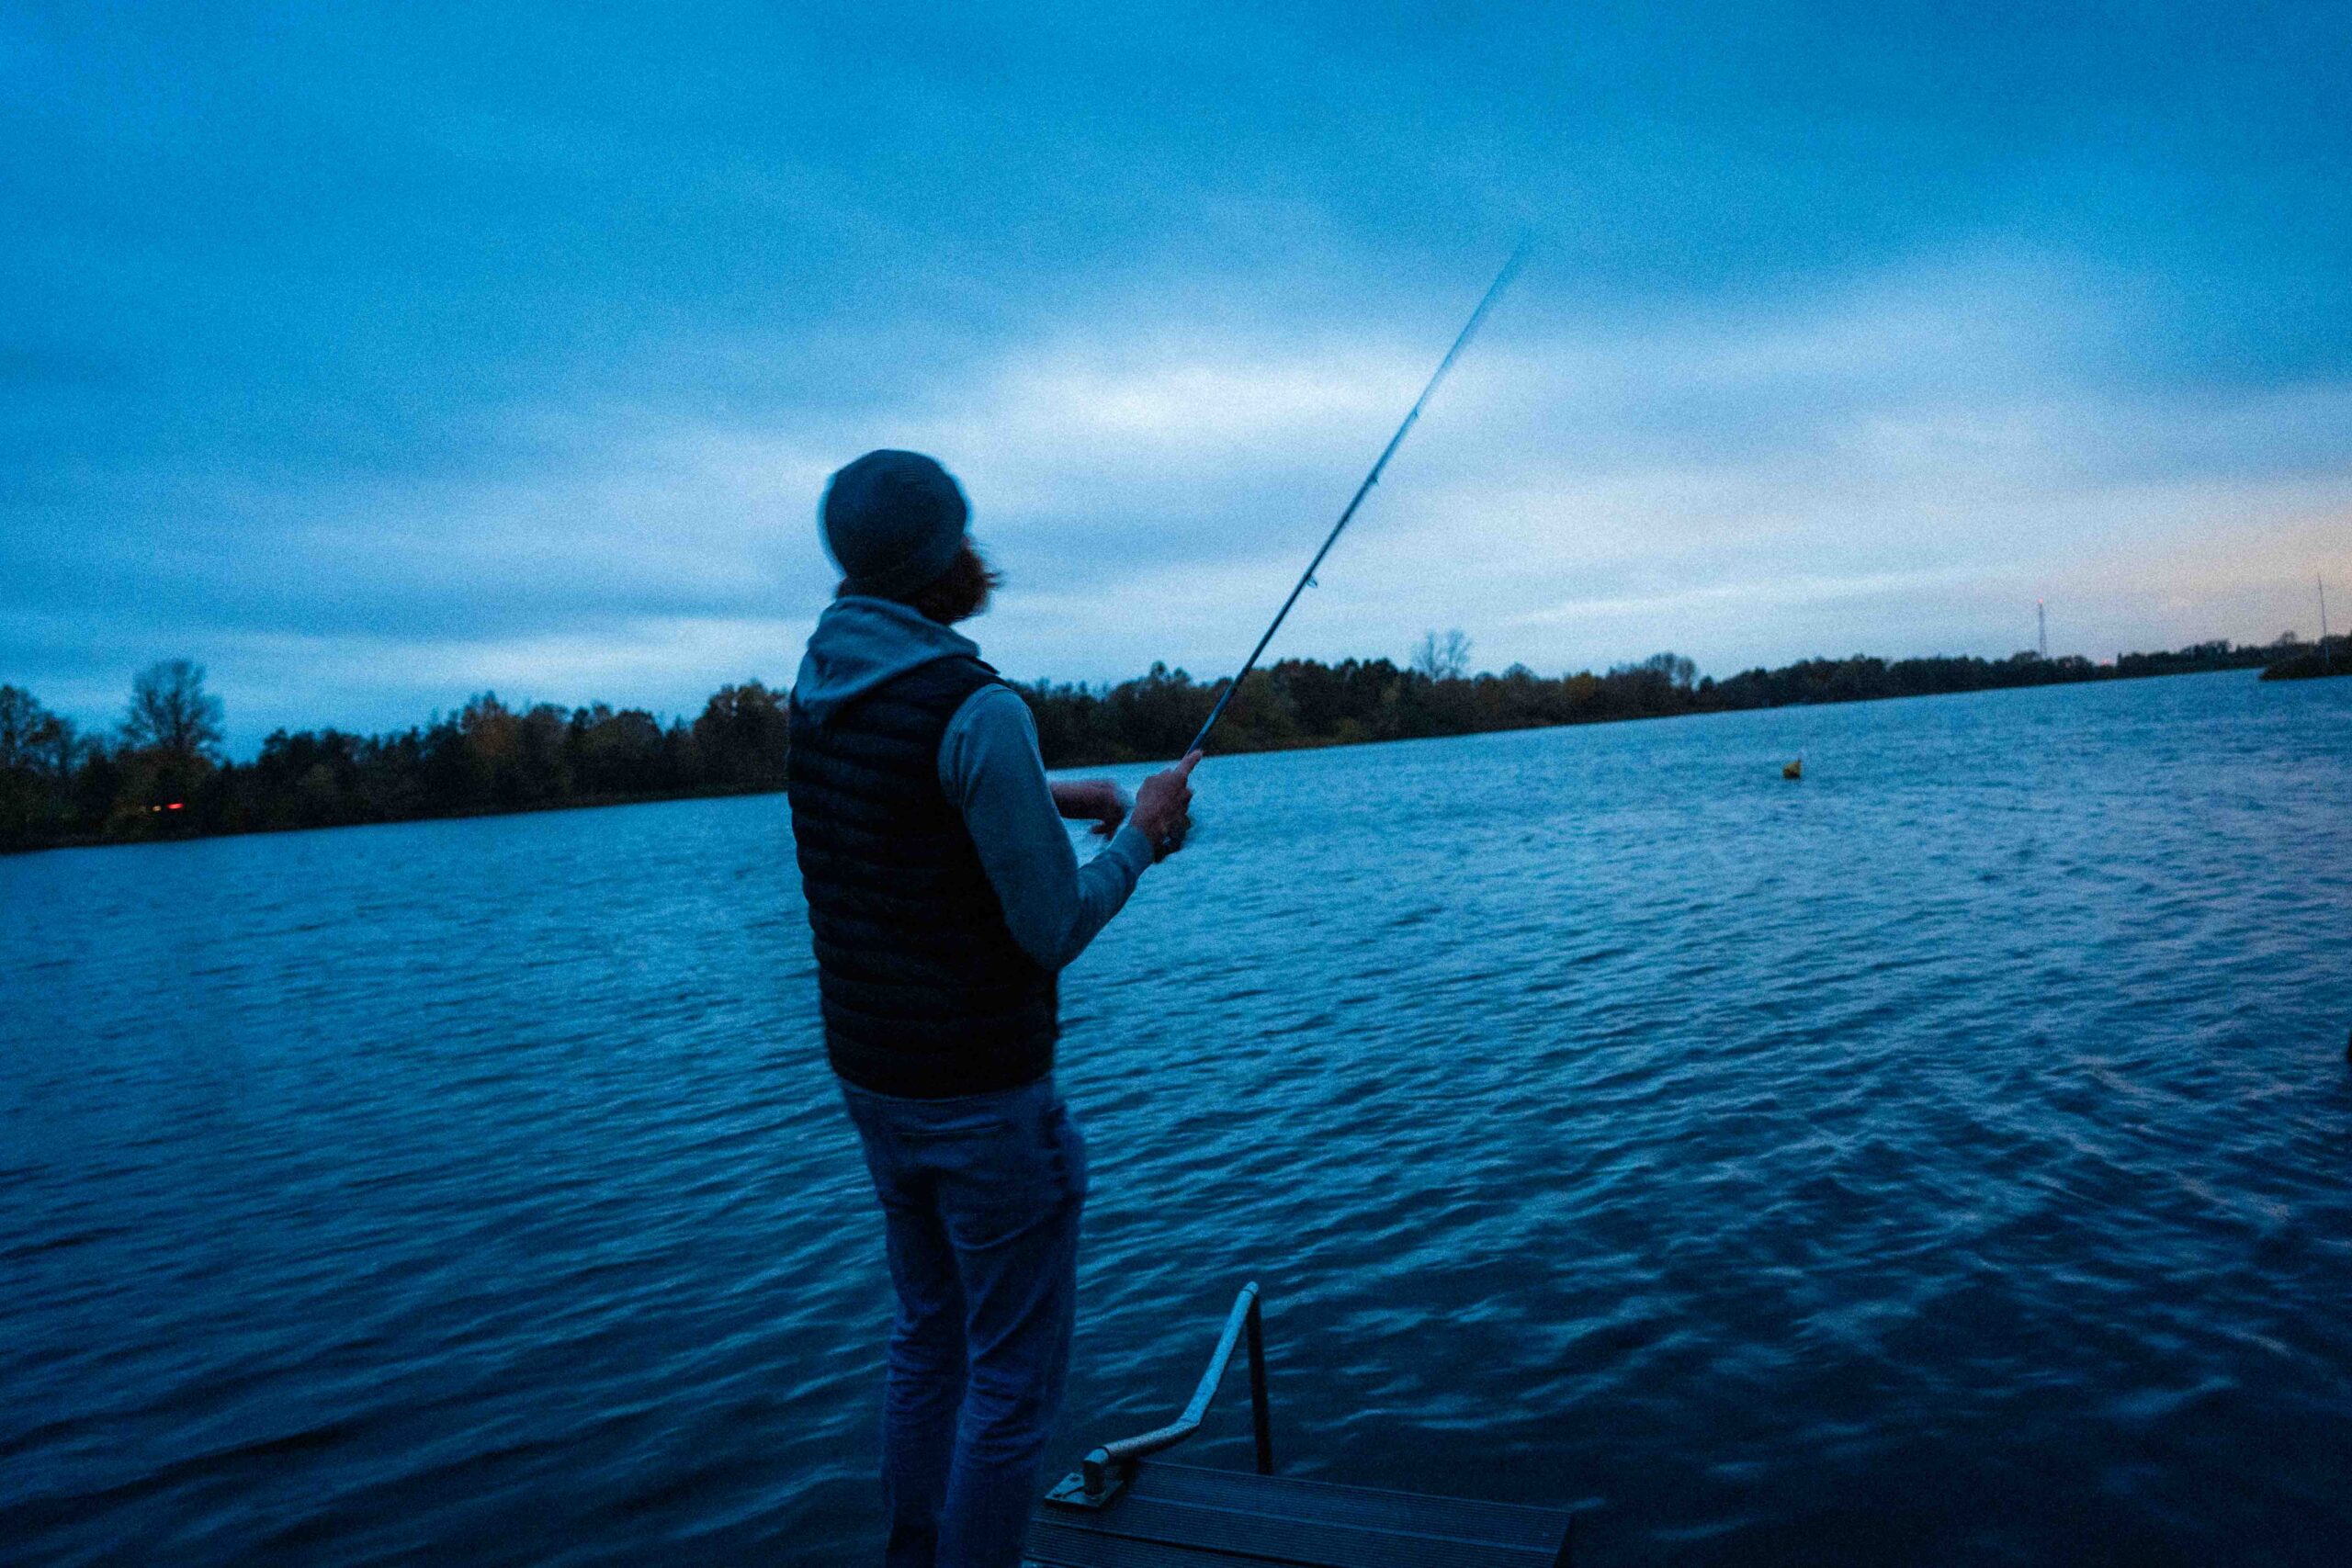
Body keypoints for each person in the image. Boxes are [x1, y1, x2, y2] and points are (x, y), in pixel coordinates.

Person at [786, 449, 1199, 1568]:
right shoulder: (977, 706)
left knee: (927, 1337)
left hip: (875, 1081)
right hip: (982, 1098)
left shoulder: (820, 686)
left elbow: (900, 795)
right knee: (1011, 1384)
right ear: (942, 559)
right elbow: (1052, 927)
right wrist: (1141, 833)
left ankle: (913, 1555)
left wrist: (1052, 793)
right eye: (960, 532)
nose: (975, 549)